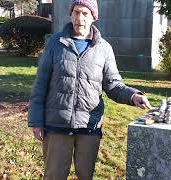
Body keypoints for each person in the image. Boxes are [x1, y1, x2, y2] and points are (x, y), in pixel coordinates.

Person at [28, 0, 152, 179]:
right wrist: (36, 121)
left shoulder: (104, 49)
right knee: (54, 175)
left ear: (94, 17)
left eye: (85, 14)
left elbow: (113, 85)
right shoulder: (56, 43)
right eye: (76, 12)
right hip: (57, 124)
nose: (80, 18)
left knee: (86, 175)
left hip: (89, 126)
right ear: (71, 14)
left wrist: (133, 96)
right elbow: (40, 84)